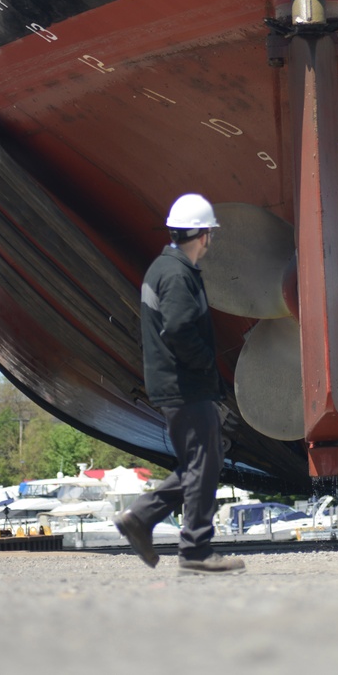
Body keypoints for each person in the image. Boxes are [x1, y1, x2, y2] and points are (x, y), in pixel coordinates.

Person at [115, 193, 244, 573]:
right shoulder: (176, 273)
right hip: (186, 385)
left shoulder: (163, 268)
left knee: (202, 461)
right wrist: (208, 366)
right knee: (204, 461)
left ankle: (142, 519)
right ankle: (195, 550)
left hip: (177, 384)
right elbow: (180, 329)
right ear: (204, 235)